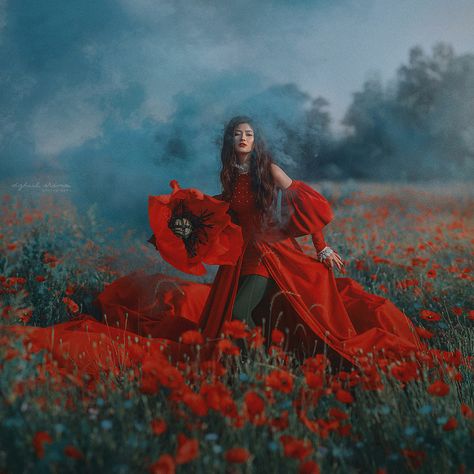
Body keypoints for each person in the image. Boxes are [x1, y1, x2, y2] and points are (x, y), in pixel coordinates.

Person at [6, 115, 424, 379]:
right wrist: (176, 222)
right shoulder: (229, 172)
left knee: (240, 312)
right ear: (229, 140)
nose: (244, 138)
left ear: (255, 140)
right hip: (242, 252)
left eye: (249, 133)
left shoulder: (268, 169)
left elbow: (305, 204)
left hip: (271, 250)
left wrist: (321, 246)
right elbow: (219, 209)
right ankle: (255, 364)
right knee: (246, 311)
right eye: (237, 134)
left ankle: (237, 369)